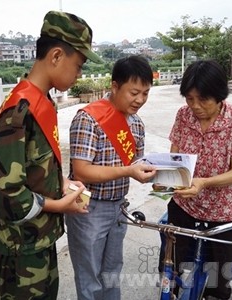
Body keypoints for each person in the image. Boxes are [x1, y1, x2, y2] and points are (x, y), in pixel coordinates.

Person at [0, 10, 103, 299]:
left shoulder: (41, 100)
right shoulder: (20, 110)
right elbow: (3, 192)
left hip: (39, 239)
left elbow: (36, 164)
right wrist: (57, 206)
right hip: (20, 246)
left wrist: (61, 184)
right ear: (57, 56)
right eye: (79, 65)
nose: (80, 74)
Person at [160, 60, 232, 299]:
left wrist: (203, 182)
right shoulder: (183, 115)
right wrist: (163, 178)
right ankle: (171, 291)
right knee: (171, 262)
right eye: (189, 99)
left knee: (219, 276)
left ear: (219, 95)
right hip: (185, 203)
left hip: (224, 209)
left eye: (203, 99)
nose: (195, 106)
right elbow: (175, 157)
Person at [66, 55, 157, 300]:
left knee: (112, 273)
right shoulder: (88, 118)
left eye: (145, 93)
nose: (140, 100)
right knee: (90, 276)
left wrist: (160, 176)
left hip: (118, 207)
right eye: (134, 92)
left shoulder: (137, 124)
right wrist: (128, 171)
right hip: (88, 208)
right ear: (115, 86)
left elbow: (137, 164)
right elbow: (82, 171)